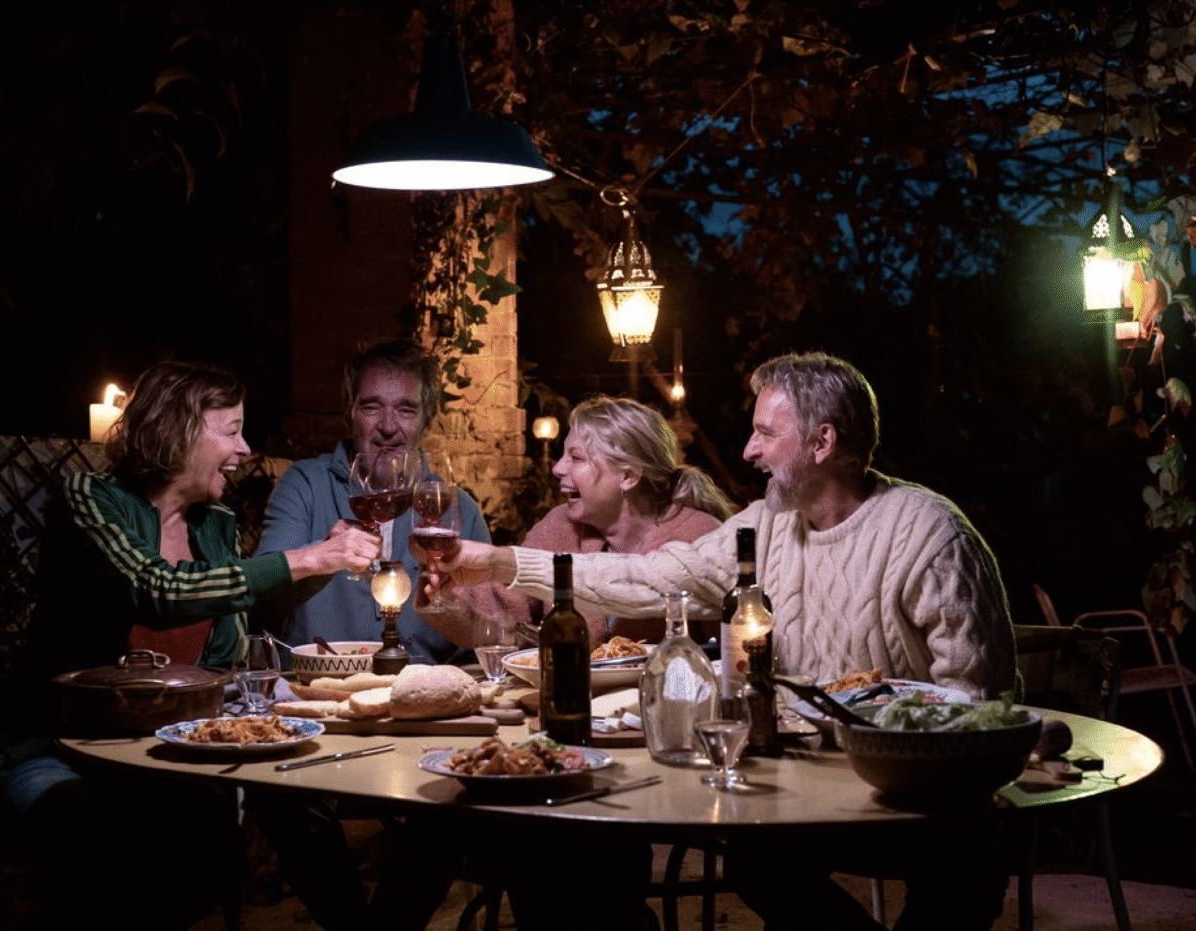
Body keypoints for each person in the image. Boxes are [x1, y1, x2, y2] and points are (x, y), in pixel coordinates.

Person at [427, 352, 1019, 931]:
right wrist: (498, 562)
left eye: (766, 433)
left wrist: (889, 760)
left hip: (926, 803)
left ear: (822, 443)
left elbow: (979, 704)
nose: (748, 451)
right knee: (756, 862)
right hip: (806, 792)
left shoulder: (928, 535)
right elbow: (650, 577)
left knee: (957, 884)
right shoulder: (766, 526)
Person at [0, 360, 379, 931]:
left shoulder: (213, 523)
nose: (245, 449)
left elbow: (230, 640)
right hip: (57, 743)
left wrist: (320, 564)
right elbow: (156, 591)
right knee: (84, 839)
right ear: (178, 430)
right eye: (232, 430)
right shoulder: (90, 498)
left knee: (274, 806)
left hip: (159, 743)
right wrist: (306, 557)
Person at [416, 394, 734, 648]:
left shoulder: (700, 538)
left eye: (576, 458)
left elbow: (731, 648)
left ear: (628, 475)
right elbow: (502, 611)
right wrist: (444, 593)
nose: (557, 469)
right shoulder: (561, 526)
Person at [253, 336, 492, 663]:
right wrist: (321, 557)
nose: (388, 427)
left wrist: (450, 606)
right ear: (349, 413)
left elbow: (489, 634)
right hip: (318, 685)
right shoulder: (305, 485)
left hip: (423, 689)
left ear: (426, 422)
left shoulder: (456, 508)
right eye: (371, 407)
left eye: (406, 410)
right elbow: (261, 599)